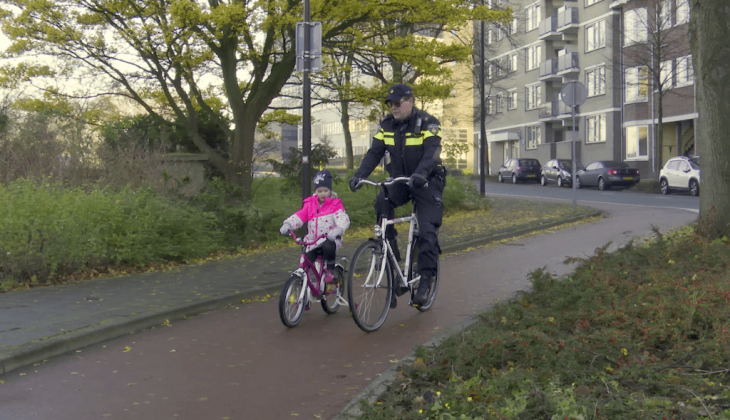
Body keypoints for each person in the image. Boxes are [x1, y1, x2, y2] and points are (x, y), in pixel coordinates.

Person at [348, 83, 446, 308]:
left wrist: (421, 174)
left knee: (427, 230)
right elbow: (374, 152)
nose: (393, 107)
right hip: (401, 180)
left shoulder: (428, 123)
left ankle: (425, 281)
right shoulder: (386, 125)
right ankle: (391, 259)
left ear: (410, 101)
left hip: (427, 181)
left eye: (397, 103)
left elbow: (432, 153)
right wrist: (359, 175)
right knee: (381, 200)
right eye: (390, 104)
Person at [280, 169, 350, 285]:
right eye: (319, 191)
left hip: (330, 239)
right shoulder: (310, 204)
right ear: (315, 191)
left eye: (325, 190)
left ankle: (330, 269)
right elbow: (300, 216)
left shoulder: (334, 204)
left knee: (328, 245)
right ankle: (304, 292)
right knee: (305, 264)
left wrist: (338, 229)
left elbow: (343, 218)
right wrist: (288, 224)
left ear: (330, 190)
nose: (323, 194)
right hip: (313, 242)